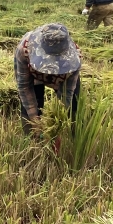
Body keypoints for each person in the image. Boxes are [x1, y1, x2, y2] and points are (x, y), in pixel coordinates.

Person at [15, 23, 81, 152]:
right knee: (30, 112)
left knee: (74, 104)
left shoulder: (74, 58)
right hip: (35, 75)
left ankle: (74, 138)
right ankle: (31, 148)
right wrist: (35, 120)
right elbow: (24, 87)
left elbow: (66, 92)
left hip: (63, 77)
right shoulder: (24, 50)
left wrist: (57, 124)